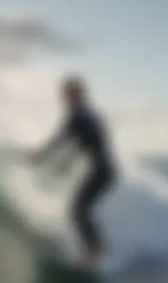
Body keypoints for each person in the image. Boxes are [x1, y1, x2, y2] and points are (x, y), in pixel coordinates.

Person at [31, 75, 116, 267]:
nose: (63, 98)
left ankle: (95, 250)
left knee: (79, 209)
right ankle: (95, 249)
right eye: (63, 94)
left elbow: (60, 139)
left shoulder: (77, 116)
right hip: (106, 170)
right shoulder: (89, 115)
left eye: (67, 94)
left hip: (101, 170)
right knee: (80, 209)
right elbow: (85, 142)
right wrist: (67, 163)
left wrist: (41, 155)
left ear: (76, 95)